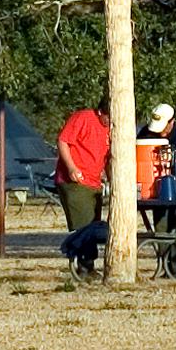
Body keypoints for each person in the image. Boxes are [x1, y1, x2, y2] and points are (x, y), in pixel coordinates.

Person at [56, 102, 110, 271]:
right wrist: (71, 167)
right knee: (85, 225)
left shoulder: (113, 128)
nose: (109, 122)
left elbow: (108, 157)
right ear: (101, 112)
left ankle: (87, 265)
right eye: (108, 117)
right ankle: (83, 266)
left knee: (94, 225)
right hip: (75, 182)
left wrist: (110, 178)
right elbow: (63, 141)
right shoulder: (83, 117)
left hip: (95, 182)